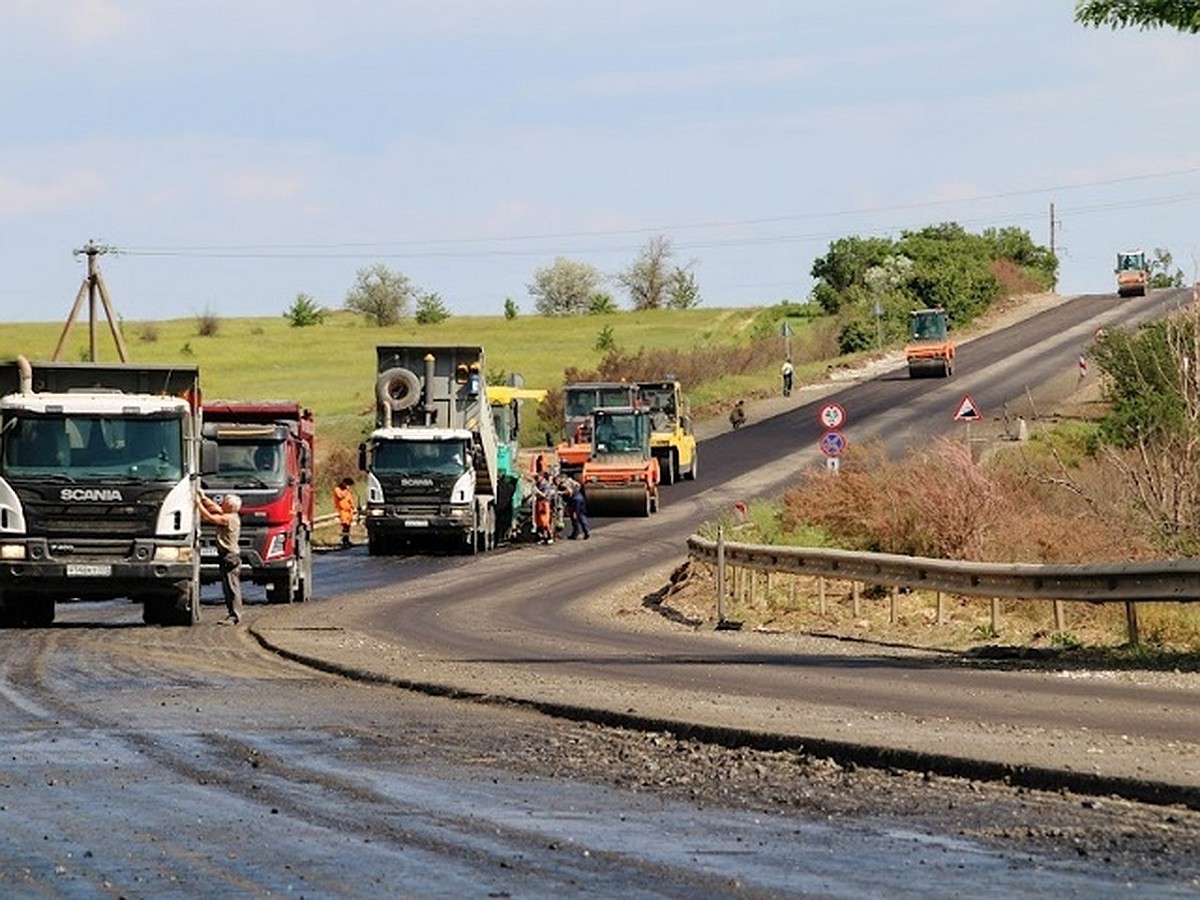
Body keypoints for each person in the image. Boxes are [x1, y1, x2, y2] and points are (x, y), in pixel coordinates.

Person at [198, 491, 244, 625]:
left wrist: (197, 504)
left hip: (230, 556)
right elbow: (214, 507)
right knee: (228, 586)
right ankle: (233, 614)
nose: (221, 504)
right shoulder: (231, 514)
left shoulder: (228, 519)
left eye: (223, 502)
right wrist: (203, 497)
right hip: (228, 556)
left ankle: (235, 615)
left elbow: (209, 517)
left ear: (229, 506)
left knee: (231, 587)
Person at [556, 473, 590, 540]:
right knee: (581, 515)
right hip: (580, 498)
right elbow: (579, 485)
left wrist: (560, 492)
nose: (556, 482)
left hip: (574, 500)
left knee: (574, 517)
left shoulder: (564, 483)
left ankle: (575, 533)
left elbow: (569, 491)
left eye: (557, 480)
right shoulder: (572, 481)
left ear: (561, 478)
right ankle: (586, 530)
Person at [333, 477, 357, 549]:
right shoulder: (337, 489)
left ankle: (347, 540)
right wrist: (346, 491)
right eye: (347, 485)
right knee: (345, 526)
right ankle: (344, 541)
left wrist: (353, 507)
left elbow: (350, 499)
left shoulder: (347, 491)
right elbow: (340, 496)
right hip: (342, 510)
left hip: (349, 511)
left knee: (348, 526)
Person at [531, 472, 554, 544]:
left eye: (538, 477)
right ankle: (542, 537)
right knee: (538, 521)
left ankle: (549, 536)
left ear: (542, 477)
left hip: (544, 503)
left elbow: (545, 495)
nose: (537, 479)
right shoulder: (538, 484)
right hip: (539, 503)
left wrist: (537, 491)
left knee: (544, 521)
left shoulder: (546, 485)